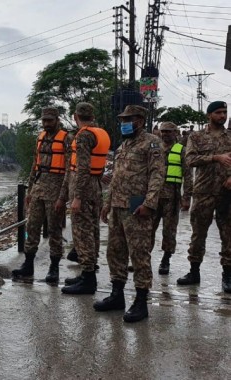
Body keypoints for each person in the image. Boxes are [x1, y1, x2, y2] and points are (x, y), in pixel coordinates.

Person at [94, 105, 165, 323]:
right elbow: (116, 177)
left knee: (139, 254)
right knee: (115, 252)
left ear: (141, 121)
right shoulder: (124, 145)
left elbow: (157, 175)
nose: (124, 123)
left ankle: (141, 301)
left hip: (137, 207)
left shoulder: (152, 143)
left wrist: (149, 203)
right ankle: (117, 295)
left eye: (129, 119)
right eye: (123, 119)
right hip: (117, 206)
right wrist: (107, 204)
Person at [12, 107, 72, 283]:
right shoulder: (40, 138)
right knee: (32, 227)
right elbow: (34, 165)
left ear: (57, 119)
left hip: (55, 190)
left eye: (49, 121)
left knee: (54, 230)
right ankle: (28, 265)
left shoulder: (66, 139)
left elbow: (69, 170)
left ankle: (54, 269)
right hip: (38, 189)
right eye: (44, 121)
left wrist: (63, 196)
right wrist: (30, 190)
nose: (46, 124)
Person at [176, 101, 231, 293]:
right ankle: (194, 271)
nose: (222, 116)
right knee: (198, 234)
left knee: (228, 235)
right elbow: (189, 160)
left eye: (224, 112)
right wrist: (215, 157)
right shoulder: (197, 137)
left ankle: (228, 275)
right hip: (203, 192)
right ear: (209, 115)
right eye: (218, 112)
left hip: (227, 194)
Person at [59, 102, 110, 294]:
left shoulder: (83, 137)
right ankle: (87, 273)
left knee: (82, 233)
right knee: (93, 230)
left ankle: (88, 280)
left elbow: (82, 168)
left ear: (75, 117)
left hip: (84, 190)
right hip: (95, 187)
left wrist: (77, 197)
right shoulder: (100, 133)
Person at [152, 122, 193, 275]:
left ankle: (166, 259)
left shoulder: (181, 150)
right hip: (153, 197)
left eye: (169, 131)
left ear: (175, 132)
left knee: (169, 231)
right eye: (163, 131)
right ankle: (142, 257)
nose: (165, 134)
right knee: (147, 229)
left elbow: (188, 175)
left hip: (172, 197)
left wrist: (187, 197)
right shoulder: (154, 148)